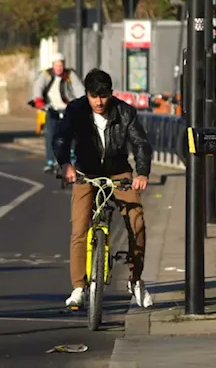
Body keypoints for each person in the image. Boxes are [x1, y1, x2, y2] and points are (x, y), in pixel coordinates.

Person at [52, 68, 154, 309]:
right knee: (79, 228)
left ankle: (135, 281)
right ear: (86, 94)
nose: (99, 102)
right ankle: (78, 287)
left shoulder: (124, 111)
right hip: (86, 172)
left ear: (111, 93)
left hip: (119, 172)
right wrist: (65, 163)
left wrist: (142, 172)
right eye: (94, 96)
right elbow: (61, 137)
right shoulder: (76, 110)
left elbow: (140, 143)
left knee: (136, 222)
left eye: (104, 96)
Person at [31, 53, 84, 172]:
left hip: (67, 108)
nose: (59, 68)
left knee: (73, 133)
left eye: (61, 65)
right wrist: (38, 100)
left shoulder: (70, 74)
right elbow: (38, 87)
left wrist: (81, 103)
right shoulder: (46, 75)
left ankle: (72, 155)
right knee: (50, 134)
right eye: (56, 65)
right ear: (53, 66)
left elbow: (78, 88)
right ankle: (50, 161)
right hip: (52, 108)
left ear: (64, 65)